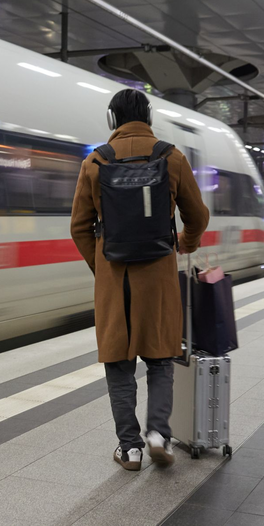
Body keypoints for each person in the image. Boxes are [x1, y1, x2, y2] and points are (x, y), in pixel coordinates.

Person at [70, 89, 209, 471]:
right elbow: (197, 215)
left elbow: (79, 227)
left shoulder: (95, 161)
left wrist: (102, 268)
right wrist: (185, 242)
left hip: (115, 280)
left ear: (112, 120)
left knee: (119, 364)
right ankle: (158, 435)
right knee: (161, 359)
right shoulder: (172, 156)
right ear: (147, 117)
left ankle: (129, 449)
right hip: (158, 276)